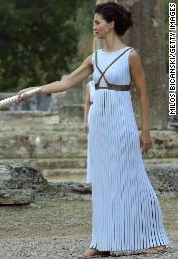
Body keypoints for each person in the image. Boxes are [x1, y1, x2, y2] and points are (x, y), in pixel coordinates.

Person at [18, 2, 169, 257]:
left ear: (111, 24)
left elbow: (143, 95)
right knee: (102, 181)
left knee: (133, 178)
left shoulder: (130, 55)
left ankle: (154, 236)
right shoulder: (94, 58)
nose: (94, 27)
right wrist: (35, 90)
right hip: (100, 124)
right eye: (94, 22)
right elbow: (66, 82)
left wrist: (145, 131)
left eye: (98, 22)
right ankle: (101, 242)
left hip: (122, 122)